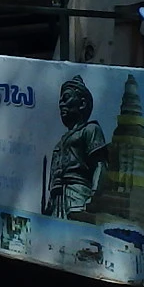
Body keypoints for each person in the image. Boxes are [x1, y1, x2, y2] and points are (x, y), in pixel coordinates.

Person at [42, 76, 109, 219]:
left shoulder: (90, 130)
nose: (61, 104)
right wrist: (49, 202)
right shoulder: (59, 144)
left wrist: (95, 196)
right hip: (57, 200)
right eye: (60, 100)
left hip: (78, 195)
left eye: (66, 98)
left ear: (82, 103)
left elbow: (100, 165)